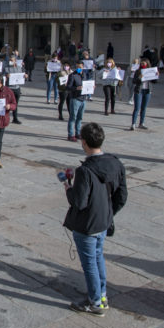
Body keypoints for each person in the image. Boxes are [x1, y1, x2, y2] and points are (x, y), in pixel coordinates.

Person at [63, 123, 127, 317]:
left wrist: (68, 188)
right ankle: (102, 294)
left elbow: (79, 202)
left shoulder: (85, 171)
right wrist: (108, 212)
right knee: (98, 257)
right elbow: (122, 196)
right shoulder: (115, 163)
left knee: (90, 263)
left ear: (84, 142)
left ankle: (95, 302)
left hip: (87, 225)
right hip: (104, 221)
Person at [130, 59, 154, 131]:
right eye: (142, 63)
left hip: (147, 91)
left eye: (144, 63)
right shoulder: (138, 71)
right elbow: (134, 81)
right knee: (137, 108)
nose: (143, 64)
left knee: (144, 108)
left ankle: (141, 123)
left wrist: (156, 75)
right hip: (139, 90)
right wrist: (139, 77)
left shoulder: (150, 71)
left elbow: (154, 81)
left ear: (147, 64)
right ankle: (133, 124)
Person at [66, 63, 86, 142]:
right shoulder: (72, 75)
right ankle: (70, 135)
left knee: (80, 117)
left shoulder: (84, 75)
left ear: (83, 67)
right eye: (77, 67)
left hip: (83, 99)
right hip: (75, 98)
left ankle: (78, 133)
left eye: (80, 67)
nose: (79, 68)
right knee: (73, 118)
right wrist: (76, 88)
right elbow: (68, 87)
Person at [4, 55, 27, 124]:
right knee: (7, 103)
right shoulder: (6, 68)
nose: (11, 61)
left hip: (17, 88)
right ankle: (5, 118)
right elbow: (2, 77)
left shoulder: (19, 68)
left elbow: (22, 76)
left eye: (12, 60)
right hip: (9, 88)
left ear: (15, 61)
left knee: (15, 104)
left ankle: (15, 118)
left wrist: (25, 76)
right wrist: (6, 76)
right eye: (10, 60)